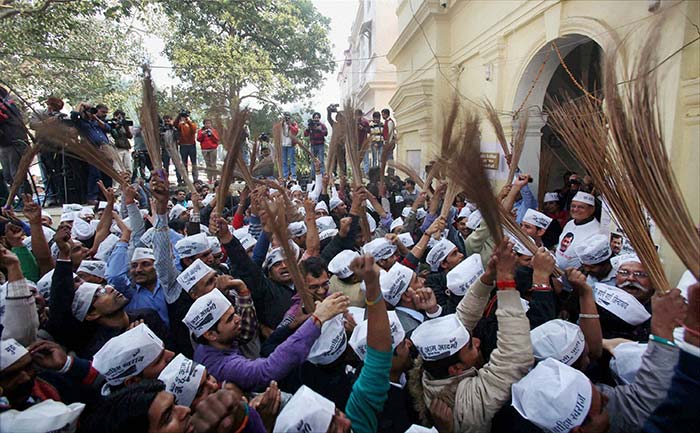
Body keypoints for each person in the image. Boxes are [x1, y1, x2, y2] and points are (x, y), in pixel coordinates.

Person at [69, 102, 112, 204]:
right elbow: (74, 115)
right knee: (95, 174)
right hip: (93, 150)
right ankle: (92, 196)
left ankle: (106, 195)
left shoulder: (97, 122)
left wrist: (95, 118)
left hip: (105, 150)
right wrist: (81, 105)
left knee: (108, 174)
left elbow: (108, 128)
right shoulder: (82, 123)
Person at [174, 109, 198, 185]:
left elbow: (193, 130)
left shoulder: (192, 124)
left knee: (194, 163)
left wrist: (187, 119)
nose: (184, 118)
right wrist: (179, 116)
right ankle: (186, 179)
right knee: (184, 163)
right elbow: (174, 125)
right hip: (183, 145)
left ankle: (195, 179)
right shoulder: (180, 125)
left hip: (192, 145)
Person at [109, 109, 133, 176]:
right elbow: (115, 135)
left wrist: (126, 126)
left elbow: (130, 136)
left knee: (128, 169)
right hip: (117, 149)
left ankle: (128, 183)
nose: (121, 118)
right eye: (119, 116)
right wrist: (117, 125)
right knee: (118, 170)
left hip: (125, 148)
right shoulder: (111, 124)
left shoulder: (124, 125)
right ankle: (117, 186)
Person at [304, 112, 328, 176]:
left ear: (319, 118)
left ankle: (322, 175)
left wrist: (320, 130)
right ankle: (313, 176)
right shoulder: (311, 125)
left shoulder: (322, 125)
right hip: (313, 145)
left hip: (320, 145)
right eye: (315, 118)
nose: (316, 119)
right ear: (313, 118)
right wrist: (309, 128)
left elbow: (326, 133)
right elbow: (305, 134)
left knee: (321, 160)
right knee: (313, 161)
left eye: (317, 117)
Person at [197, 118, 220, 184]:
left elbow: (217, 139)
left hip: (213, 149)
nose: (208, 125)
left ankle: (215, 178)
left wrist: (212, 134)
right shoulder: (200, 131)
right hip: (205, 149)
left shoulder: (214, 130)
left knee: (213, 164)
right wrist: (203, 134)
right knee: (208, 165)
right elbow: (198, 139)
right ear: (204, 124)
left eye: (209, 123)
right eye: (206, 123)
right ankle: (209, 179)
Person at [280, 112, 299, 180]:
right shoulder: (281, 124)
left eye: (288, 116)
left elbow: (296, 131)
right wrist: (282, 122)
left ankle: (294, 177)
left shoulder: (293, 123)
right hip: (283, 144)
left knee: (292, 162)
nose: (286, 118)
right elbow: (276, 130)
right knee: (284, 161)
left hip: (291, 145)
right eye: (285, 116)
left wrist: (289, 125)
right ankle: (285, 176)